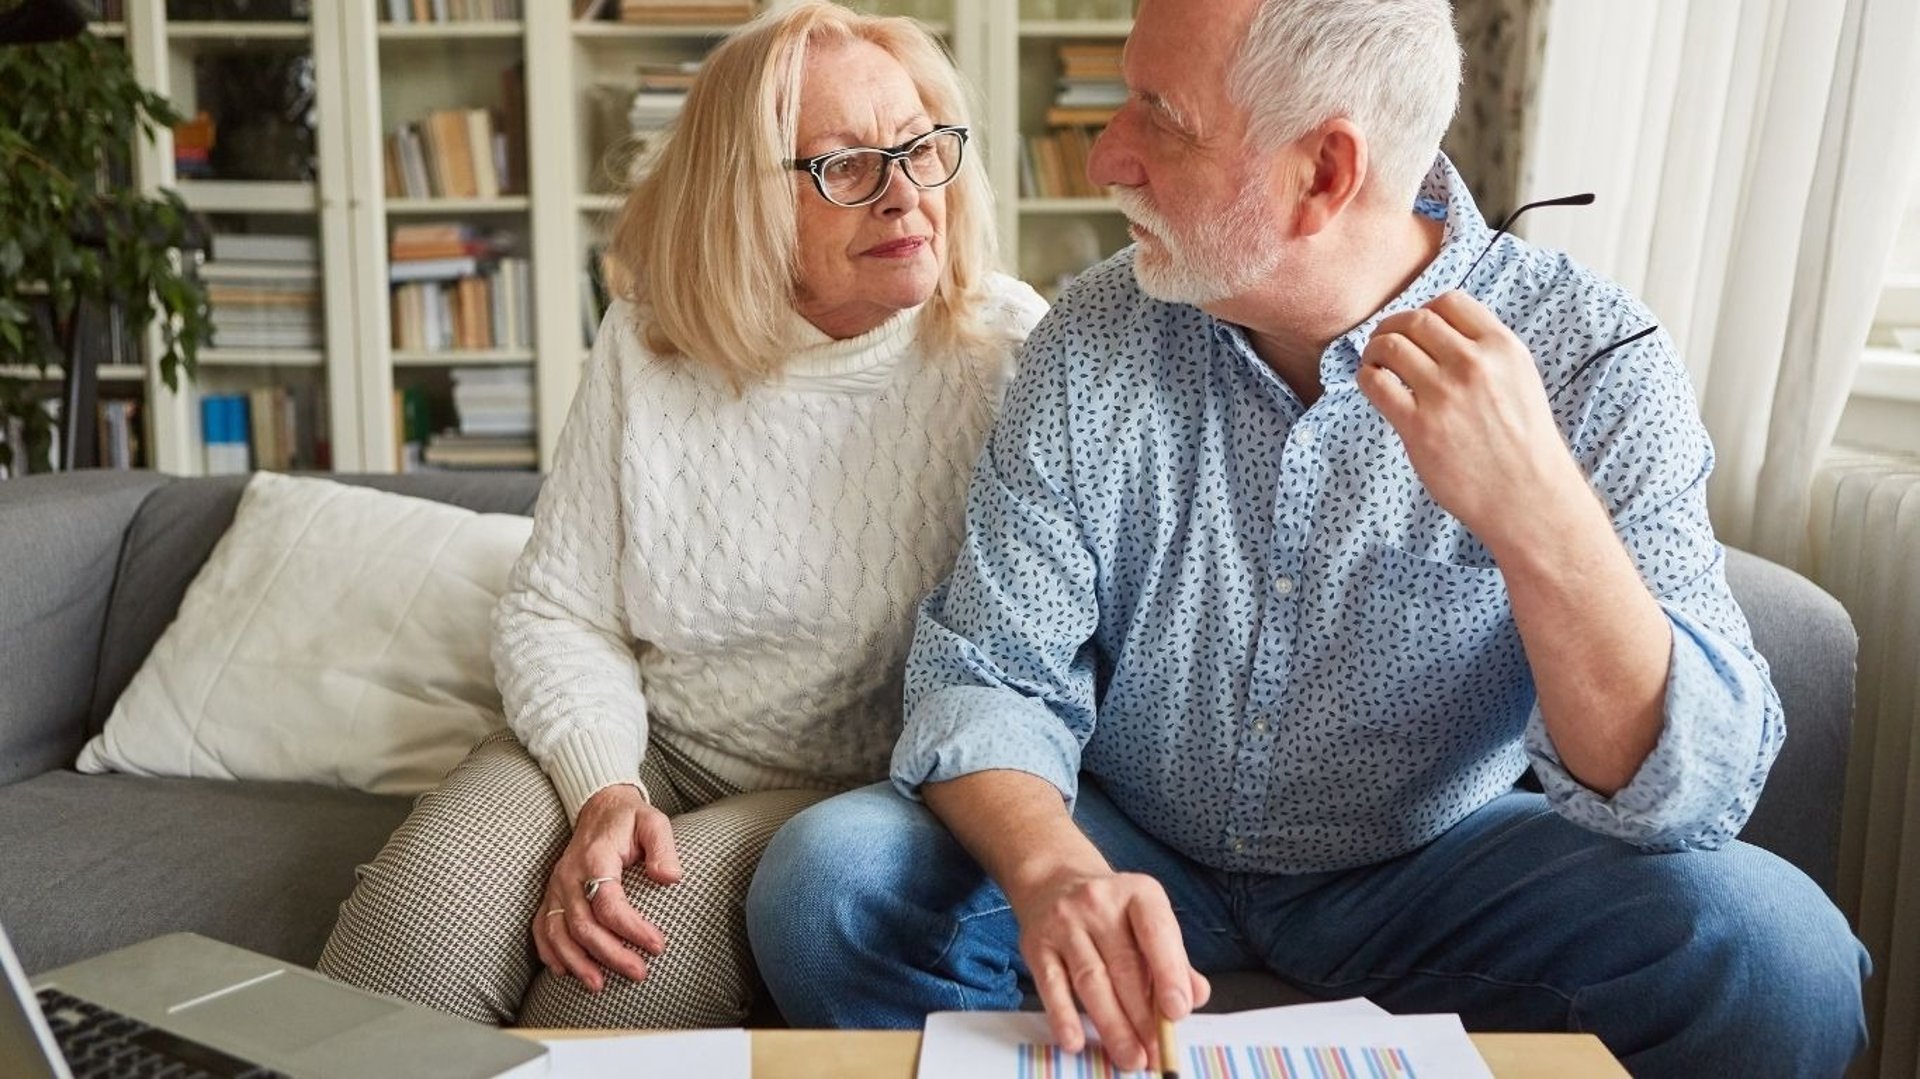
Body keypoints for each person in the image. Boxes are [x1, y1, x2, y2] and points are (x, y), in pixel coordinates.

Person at [744, 0, 1870, 1074]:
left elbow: (1692, 787)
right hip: (1135, 840)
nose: (1107, 158)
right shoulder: (1091, 338)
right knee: (829, 885)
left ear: (1325, 172)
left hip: (1440, 866)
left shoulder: (1591, 358)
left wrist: (1542, 517)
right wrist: (1052, 871)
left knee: (1782, 961)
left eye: (1160, 120)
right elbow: (987, 673)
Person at [315, 0, 1045, 1030]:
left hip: (847, 791)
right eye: (844, 165)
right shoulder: (651, 337)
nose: (904, 195)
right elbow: (560, 610)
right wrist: (604, 788)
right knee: (410, 936)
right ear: (742, 199)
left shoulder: (1011, 353)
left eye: (922, 148)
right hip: (653, 740)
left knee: (606, 977)